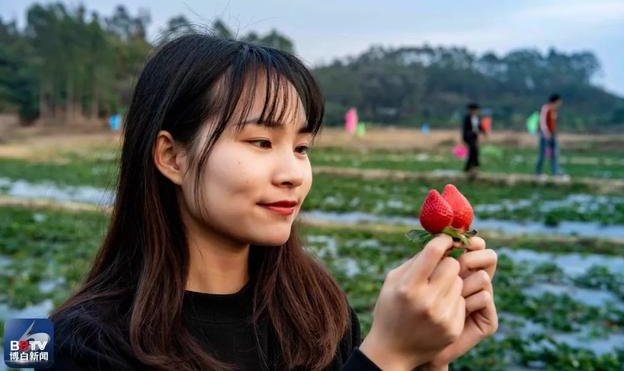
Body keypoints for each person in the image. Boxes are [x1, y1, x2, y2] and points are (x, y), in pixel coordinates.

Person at [49, 35, 498, 371]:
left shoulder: (316, 309)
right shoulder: (78, 344)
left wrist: (425, 362)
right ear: (172, 157)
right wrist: (385, 357)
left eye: (302, 147)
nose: (293, 173)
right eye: (261, 141)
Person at [535, 94, 563, 177]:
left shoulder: (554, 111)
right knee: (542, 154)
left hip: (552, 135)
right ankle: (538, 172)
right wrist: (546, 133)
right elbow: (543, 122)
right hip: (545, 135)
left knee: (554, 154)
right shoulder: (546, 108)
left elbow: (553, 124)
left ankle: (555, 172)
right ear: (556, 101)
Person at [461, 103, 486, 177]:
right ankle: (473, 166)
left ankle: (472, 167)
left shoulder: (477, 118)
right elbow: (465, 129)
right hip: (469, 137)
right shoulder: (467, 118)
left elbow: (480, 126)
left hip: (474, 137)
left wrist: (484, 132)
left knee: (474, 151)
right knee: (473, 151)